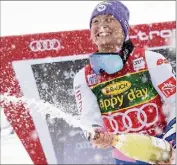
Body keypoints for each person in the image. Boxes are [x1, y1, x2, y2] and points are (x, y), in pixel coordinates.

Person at [73, 1, 176, 164]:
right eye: (96, 21)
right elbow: (88, 120)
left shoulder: (151, 60)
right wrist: (96, 134)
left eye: (109, 19)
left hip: (166, 153)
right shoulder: (83, 77)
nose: (102, 25)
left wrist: (170, 143)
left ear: (124, 28)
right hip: (125, 159)